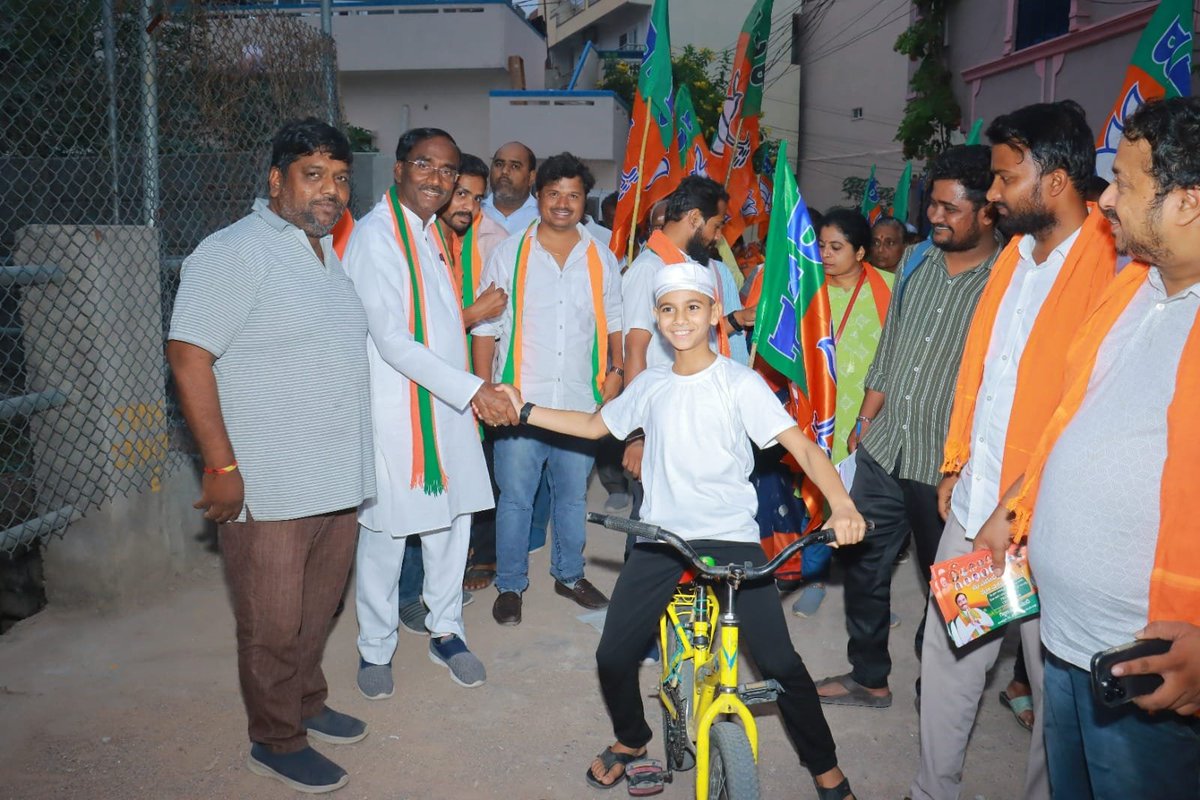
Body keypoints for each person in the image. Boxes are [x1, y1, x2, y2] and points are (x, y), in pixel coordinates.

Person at [492, 261, 867, 799]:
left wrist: (841, 504)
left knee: (781, 662)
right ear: (658, 318)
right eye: (668, 309)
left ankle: (828, 773)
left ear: (714, 314)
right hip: (663, 538)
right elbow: (596, 425)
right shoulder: (651, 384)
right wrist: (523, 409)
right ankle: (631, 739)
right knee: (613, 655)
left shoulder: (740, 384)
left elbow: (803, 446)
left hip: (731, 540)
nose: (680, 319)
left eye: (693, 307)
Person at [977, 95, 1200, 800]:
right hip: (1069, 647)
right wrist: (1016, 505)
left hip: (1152, 668)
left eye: (1126, 186)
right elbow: (1074, 418)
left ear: (1188, 204)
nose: (1103, 200)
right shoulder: (1132, 287)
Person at [910, 100, 1118, 800]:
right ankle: (930, 791)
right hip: (977, 507)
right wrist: (957, 464)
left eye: (1003, 178)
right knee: (950, 655)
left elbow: (1080, 408)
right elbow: (982, 367)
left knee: (1056, 690)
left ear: (1054, 179)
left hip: (1045, 526)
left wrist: (1016, 502)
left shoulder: (1113, 268)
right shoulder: (1015, 258)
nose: (991, 195)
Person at [167, 118, 374, 793]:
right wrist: (222, 468)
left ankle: (306, 704)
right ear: (277, 179)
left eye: (341, 178)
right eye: (314, 175)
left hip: (334, 478)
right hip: (272, 485)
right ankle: (276, 739)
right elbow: (189, 354)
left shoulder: (323, 250)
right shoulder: (234, 250)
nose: (332, 190)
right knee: (272, 622)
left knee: (317, 613)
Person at [816, 145, 1001, 709]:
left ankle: (943, 690)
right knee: (863, 566)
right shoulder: (917, 268)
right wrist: (864, 420)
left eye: (950, 208)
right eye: (932, 205)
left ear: (988, 211)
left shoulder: (1006, 286)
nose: (935, 217)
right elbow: (889, 352)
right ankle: (868, 676)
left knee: (956, 586)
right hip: (884, 446)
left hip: (949, 468)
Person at [344, 128, 517, 696]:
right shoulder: (377, 237)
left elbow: (443, 327)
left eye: (447, 171)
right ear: (398, 170)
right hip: (399, 411)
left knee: (452, 523)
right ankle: (375, 649)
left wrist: (467, 391)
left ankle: (446, 631)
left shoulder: (427, 233)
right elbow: (391, 339)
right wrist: (474, 391)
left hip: (445, 405)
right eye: (425, 165)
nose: (437, 180)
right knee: (387, 534)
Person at [474, 152, 624, 626]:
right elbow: (486, 329)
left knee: (572, 497)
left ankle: (569, 573)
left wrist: (617, 371)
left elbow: (616, 320)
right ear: (538, 195)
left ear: (585, 201)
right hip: (519, 399)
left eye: (574, 195)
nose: (563, 203)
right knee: (515, 499)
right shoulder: (509, 252)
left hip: (580, 402)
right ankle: (511, 584)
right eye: (554, 193)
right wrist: (486, 389)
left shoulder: (600, 253)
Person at [394, 153, 510, 617]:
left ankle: (438, 592)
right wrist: (474, 314)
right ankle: (406, 596)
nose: (468, 205)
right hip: (415, 393)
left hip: (462, 393)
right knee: (415, 497)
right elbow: (407, 333)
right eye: (461, 194)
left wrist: (482, 387)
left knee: (454, 498)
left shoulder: (475, 242)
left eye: (477, 198)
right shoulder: (410, 244)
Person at [791, 208, 893, 619]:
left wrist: (870, 417)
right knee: (816, 495)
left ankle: (868, 594)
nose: (825, 254)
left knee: (865, 503)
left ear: (861, 251)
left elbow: (898, 355)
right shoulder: (808, 287)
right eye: (820, 245)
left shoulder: (888, 287)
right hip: (818, 410)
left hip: (870, 409)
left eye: (836, 247)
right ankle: (814, 578)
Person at [482, 141, 539, 234]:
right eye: (499, 164)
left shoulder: (543, 217)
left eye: (515, 166)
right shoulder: (475, 210)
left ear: (531, 177)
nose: (504, 171)